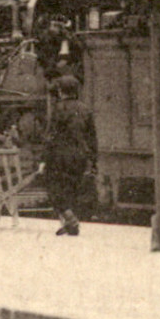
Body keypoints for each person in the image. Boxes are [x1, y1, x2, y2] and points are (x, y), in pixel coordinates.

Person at [43, 74, 96, 235]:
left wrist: (43, 159)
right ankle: (69, 224)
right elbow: (92, 137)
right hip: (79, 156)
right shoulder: (85, 109)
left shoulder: (59, 108)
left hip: (60, 156)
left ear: (61, 91)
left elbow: (50, 136)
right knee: (72, 189)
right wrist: (93, 160)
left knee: (54, 188)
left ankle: (70, 220)